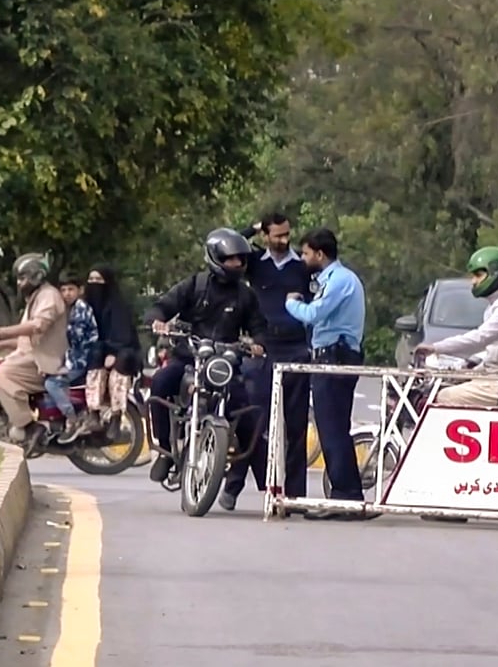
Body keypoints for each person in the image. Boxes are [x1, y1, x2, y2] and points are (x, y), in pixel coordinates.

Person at [144, 228, 268, 486]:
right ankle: (166, 450)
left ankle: (268, 482)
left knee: (247, 413)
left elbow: (259, 328)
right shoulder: (195, 285)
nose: (236, 264)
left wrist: (258, 344)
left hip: (224, 364)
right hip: (188, 357)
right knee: (160, 383)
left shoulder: (246, 295)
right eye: (230, 259)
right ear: (215, 258)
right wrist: (158, 321)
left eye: (240, 259)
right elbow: (163, 306)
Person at [220, 213, 313, 510]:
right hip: (263, 349)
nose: (283, 240)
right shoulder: (255, 263)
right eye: (277, 235)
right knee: (255, 420)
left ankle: (294, 496)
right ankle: (233, 487)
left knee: (296, 426)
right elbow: (229, 244)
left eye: (287, 235)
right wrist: (254, 227)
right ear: (265, 236)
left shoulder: (301, 266)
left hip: (296, 347)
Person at [285, 227, 378, 521]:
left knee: (333, 429)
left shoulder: (339, 280)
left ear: (320, 254)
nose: (303, 258)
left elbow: (314, 314)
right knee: (333, 428)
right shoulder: (333, 279)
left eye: (306, 253)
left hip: (335, 357)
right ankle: (345, 495)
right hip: (332, 356)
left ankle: (347, 498)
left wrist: (291, 303)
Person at [415, 246, 498, 406]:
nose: (473, 281)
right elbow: (493, 354)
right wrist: (467, 370)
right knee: (444, 385)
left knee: (446, 397)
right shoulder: (496, 305)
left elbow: (480, 338)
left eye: (478, 275)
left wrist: (435, 347)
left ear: (495, 272)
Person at [0, 253, 68, 444]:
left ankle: (29, 426)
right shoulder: (35, 299)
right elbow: (27, 339)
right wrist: (1, 345)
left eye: (23, 278)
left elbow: (38, 326)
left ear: (37, 276)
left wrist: (3, 332)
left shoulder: (49, 296)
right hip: (33, 356)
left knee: (2, 375)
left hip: (47, 361)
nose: (20, 283)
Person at [80, 265, 141, 440]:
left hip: (122, 349)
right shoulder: (83, 307)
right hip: (96, 352)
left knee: (122, 360)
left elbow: (124, 336)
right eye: (91, 280)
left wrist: (113, 351)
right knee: (96, 352)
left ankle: (116, 416)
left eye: (98, 280)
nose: (94, 284)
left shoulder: (117, 306)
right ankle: (93, 411)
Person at [47, 272, 98, 442]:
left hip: (81, 360)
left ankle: (71, 418)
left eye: (71, 289)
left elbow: (74, 341)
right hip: (73, 358)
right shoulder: (69, 309)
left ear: (80, 290)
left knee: (52, 383)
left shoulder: (80, 309)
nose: (67, 293)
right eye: (63, 290)